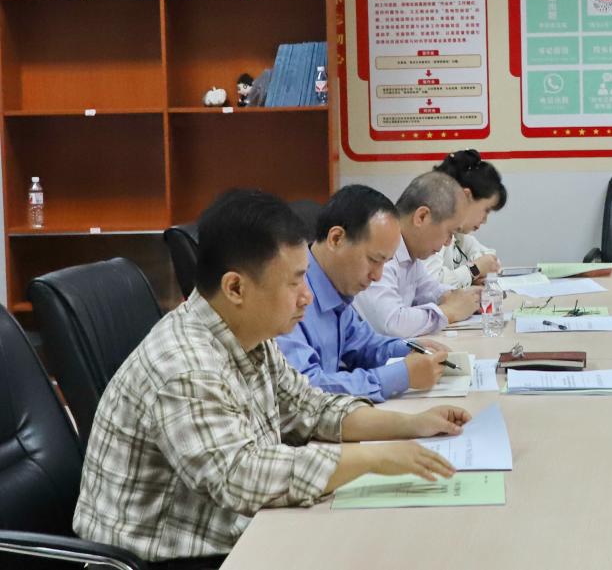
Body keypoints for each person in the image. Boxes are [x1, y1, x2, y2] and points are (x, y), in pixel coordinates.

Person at [74, 189, 471, 566]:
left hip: (235, 529)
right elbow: (240, 476)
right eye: (294, 282)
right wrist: (374, 457)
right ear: (235, 288)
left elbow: (310, 408)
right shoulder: (184, 366)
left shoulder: (250, 335)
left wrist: (409, 425)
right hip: (165, 558)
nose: (307, 296)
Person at [277, 185, 451, 402]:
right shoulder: (290, 295)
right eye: (373, 260)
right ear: (336, 239)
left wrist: (410, 349)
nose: (377, 276)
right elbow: (305, 389)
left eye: (385, 263)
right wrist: (402, 375)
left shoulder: (335, 287)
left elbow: (364, 345)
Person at [355, 171, 482, 337]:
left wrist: (462, 297)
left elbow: (430, 290)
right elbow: (391, 324)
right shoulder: (381, 251)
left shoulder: (411, 253)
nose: (448, 242)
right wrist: (449, 312)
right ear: (422, 217)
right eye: (449, 232)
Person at [425, 149, 506, 288]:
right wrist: (474, 270)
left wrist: (477, 272)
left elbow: (490, 259)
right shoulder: (431, 227)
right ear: (465, 197)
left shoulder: (458, 234)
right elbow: (431, 284)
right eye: (486, 210)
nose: (485, 220)